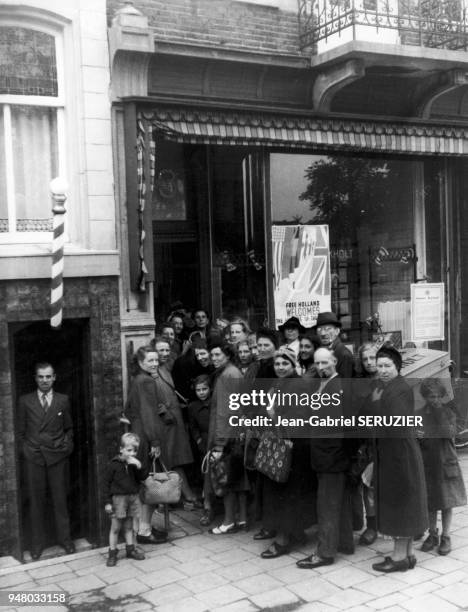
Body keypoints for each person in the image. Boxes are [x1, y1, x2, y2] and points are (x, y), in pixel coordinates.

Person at [370, 345, 428, 572]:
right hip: (398, 453)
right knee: (405, 503)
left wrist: (375, 405)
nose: (382, 370)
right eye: (379, 366)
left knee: (400, 504)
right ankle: (409, 554)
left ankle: (398, 558)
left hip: (398, 455)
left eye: (387, 366)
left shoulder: (397, 389)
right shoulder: (391, 387)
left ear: (397, 367)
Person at [296, 348, 352, 569]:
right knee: (338, 502)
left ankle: (325, 553)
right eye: (317, 364)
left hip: (330, 456)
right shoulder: (326, 384)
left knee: (327, 505)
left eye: (324, 363)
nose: (320, 368)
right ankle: (345, 544)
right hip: (329, 455)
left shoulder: (336, 387)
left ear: (335, 361)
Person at [259, 348, 316, 558]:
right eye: (277, 364)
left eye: (285, 364)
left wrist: (274, 415)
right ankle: (294, 533)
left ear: (293, 365)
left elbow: (299, 418)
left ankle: (283, 539)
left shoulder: (298, 385)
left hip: (293, 447)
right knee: (282, 491)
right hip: (281, 445)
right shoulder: (278, 384)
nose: (280, 367)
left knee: (286, 493)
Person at [17, 362, 75, 560]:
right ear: (35, 378)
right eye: (41, 377)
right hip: (34, 458)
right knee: (36, 503)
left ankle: (66, 541)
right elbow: (20, 431)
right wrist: (27, 451)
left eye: (48, 376)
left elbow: (69, 428)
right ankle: (37, 545)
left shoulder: (63, 400)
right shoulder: (25, 401)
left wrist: (66, 447)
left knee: (60, 501)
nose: (44, 380)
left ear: (54, 377)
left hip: (57, 457)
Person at [124, 346, 169, 545]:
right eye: (150, 360)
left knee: (142, 483)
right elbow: (149, 414)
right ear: (141, 362)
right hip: (146, 437)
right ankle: (144, 530)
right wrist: (155, 441)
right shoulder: (147, 381)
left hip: (137, 434)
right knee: (149, 485)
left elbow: (129, 410)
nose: (154, 364)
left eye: (156, 360)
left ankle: (140, 529)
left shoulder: (136, 380)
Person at [418, 378, 467, 556]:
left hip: (446, 462)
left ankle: (446, 536)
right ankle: (432, 534)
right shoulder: (419, 414)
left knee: (447, 501)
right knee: (430, 501)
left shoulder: (448, 412)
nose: (435, 400)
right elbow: (417, 437)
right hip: (428, 463)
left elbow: (450, 432)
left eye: (439, 396)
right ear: (425, 397)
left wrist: (439, 414)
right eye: (431, 396)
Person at [207, 342, 249, 534]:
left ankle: (229, 520)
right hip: (237, 434)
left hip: (228, 436)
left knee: (226, 479)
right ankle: (242, 519)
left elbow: (225, 412)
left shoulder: (227, 375)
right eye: (212, 355)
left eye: (217, 354)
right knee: (238, 479)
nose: (213, 358)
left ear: (227, 355)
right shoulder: (234, 372)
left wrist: (219, 444)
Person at [103, 433, 146, 566]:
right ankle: (112, 553)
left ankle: (130, 549)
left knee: (128, 526)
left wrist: (139, 466)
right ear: (121, 449)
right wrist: (107, 502)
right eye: (129, 450)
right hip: (118, 500)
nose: (132, 453)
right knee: (115, 527)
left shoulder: (134, 464)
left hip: (132, 498)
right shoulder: (114, 465)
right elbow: (105, 484)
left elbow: (142, 478)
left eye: (135, 450)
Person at [354, 342, 379, 546]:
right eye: (365, 359)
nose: (370, 362)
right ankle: (372, 526)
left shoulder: (390, 378)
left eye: (373, 357)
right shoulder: (359, 383)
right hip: (368, 441)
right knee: (368, 484)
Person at [187, 375, 214, 526]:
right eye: (198, 390)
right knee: (206, 476)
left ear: (210, 389)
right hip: (203, 444)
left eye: (204, 389)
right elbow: (193, 427)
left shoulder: (215, 404)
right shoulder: (193, 407)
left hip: (216, 440)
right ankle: (208, 508)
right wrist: (198, 440)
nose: (202, 392)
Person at [315, 311, 354, 378]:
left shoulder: (343, 354)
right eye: (319, 329)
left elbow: (344, 385)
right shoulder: (320, 351)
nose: (323, 333)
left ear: (337, 331)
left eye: (328, 329)